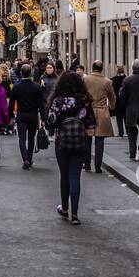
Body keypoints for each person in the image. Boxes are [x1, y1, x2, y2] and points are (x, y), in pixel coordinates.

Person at [45, 72, 95, 225]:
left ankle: (65, 208)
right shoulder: (83, 101)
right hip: (80, 142)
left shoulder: (58, 101)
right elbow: (91, 123)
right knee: (75, 176)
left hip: (63, 142)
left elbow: (50, 122)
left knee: (64, 175)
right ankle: (75, 214)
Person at [83, 61, 118, 174]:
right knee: (100, 141)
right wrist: (112, 107)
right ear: (102, 69)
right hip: (102, 111)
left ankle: (87, 164)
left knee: (87, 139)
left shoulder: (85, 79)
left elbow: (81, 94)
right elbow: (112, 97)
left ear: (92, 68)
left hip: (88, 111)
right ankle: (98, 166)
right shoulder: (107, 81)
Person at [11, 64, 46, 169]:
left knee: (22, 138)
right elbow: (41, 104)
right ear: (31, 73)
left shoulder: (16, 87)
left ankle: (25, 158)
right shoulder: (37, 87)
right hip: (33, 115)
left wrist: (10, 116)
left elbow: (11, 103)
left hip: (21, 115)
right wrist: (43, 118)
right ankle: (29, 159)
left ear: (21, 73)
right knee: (31, 138)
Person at [117, 59, 139, 160]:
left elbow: (122, 97)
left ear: (132, 68)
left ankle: (132, 153)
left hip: (131, 110)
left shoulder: (127, 80)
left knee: (131, 133)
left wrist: (125, 107)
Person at [110, 64, 127, 137]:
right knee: (126, 117)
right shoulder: (127, 79)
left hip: (117, 101)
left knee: (119, 118)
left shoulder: (113, 80)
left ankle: (121, 132)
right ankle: (128, 131)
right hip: (125, 101)